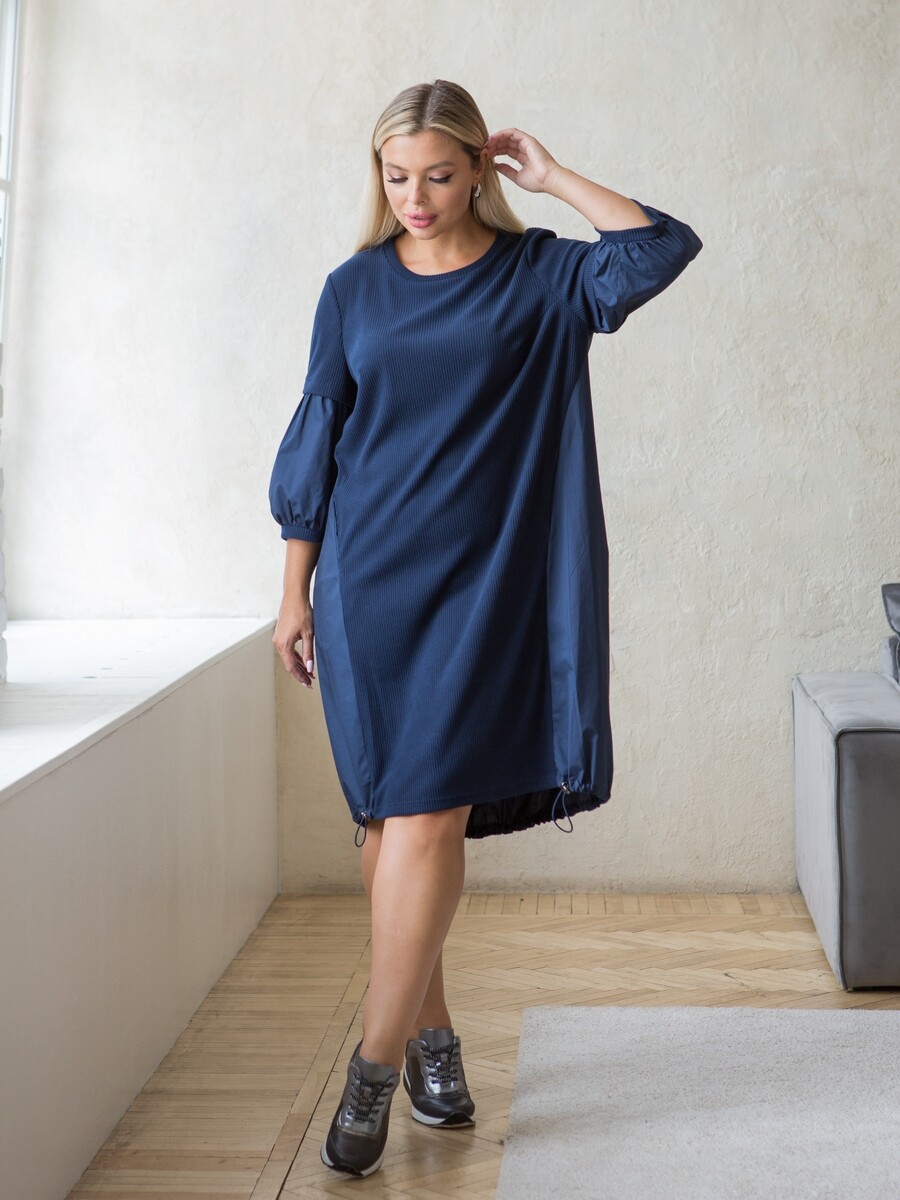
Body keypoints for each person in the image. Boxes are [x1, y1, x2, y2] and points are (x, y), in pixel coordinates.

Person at [268, 79, 702, 1178]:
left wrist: (552, 178)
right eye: (395, 177)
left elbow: (659, 248)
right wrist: (294, 591)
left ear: (478, 171)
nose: (415, 197)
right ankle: (433, 1039)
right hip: (368, 588)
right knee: (391, 826)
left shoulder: (543, 276)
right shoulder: (352, 290)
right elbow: (318, 437)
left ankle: (370, 1071)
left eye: (439, 175)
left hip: (486, 590)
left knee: (426, 818)